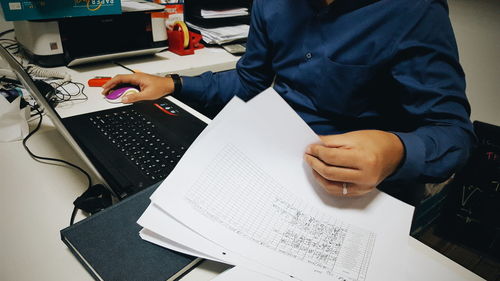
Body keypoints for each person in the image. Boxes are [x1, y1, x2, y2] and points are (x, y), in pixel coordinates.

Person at [102, 0, 475, 204]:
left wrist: (395, 150)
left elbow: (453, 133)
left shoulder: (414, 10)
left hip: (358, 186)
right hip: (275, 162)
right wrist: (173, 82)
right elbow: (250, 80)